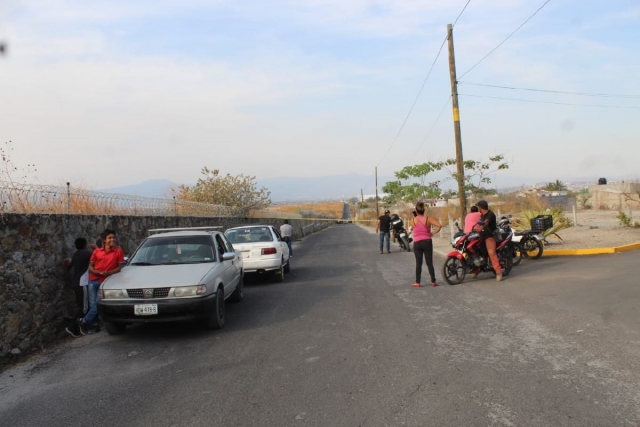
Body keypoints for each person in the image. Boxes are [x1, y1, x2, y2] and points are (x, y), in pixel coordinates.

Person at [77, 229, 125, 335]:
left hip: (105, 281)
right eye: (110, 238)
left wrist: (108, 273)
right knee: (93, 304)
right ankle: (94, 326)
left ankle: (84, 321)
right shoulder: (97, 252)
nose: (112, 239)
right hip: (93, 280)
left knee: (98, 304)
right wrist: (96, 272)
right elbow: (91, 265)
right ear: (104, 240)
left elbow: (119, 268)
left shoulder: (118, 251)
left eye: (113, 237)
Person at [63, 237, 93, 337]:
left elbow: (69, 265)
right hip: (82, 283)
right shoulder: (87, 253)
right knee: (84, 307)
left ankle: (76, 328)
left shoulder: (75, 255)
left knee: (81, 305)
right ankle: (73, 326)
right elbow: (98, 257)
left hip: (76, 283)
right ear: (85, 245)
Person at [410, 201, 442, 288]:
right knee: (429, 262)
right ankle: (433, 281)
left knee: (418, 263)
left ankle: (417, 282)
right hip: (427, 241)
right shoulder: (428, 219)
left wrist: (415, 217)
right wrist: (432, 233)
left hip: (417, 242)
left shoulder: (412, 220)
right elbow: (439, 225)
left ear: (416, 211)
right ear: (424, 210)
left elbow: (413, 228)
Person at [473, 200, 502, 282]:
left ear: (481, 207)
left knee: (491, 253)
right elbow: (479, 223)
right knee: (476, 251)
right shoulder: (482, 215)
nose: (478, 208)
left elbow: (486, 223)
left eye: (478, 207)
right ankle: (477, 269)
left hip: (490, 237)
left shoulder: (490, 214)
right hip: (482, 236)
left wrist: (481, 228)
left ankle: (498, 272)